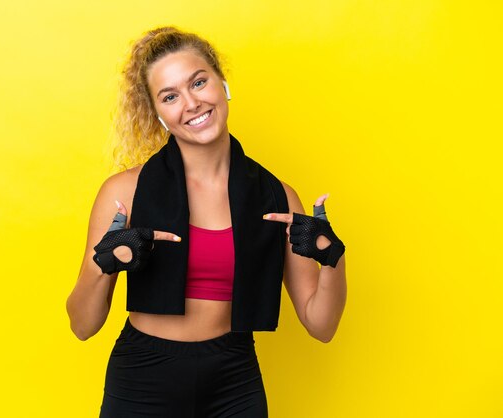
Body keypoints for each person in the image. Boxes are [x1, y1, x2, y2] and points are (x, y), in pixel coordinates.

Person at [66, 26, 347, 417]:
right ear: (159, 114)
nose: (192, 103)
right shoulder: (124, 193)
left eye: (199, 82)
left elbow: (322, 326)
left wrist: (332, 258)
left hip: (234, 379)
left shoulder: (278, 197)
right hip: (143, 379)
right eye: (170, 96)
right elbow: (82, 325)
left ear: (222, 82)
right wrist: (104, 265)